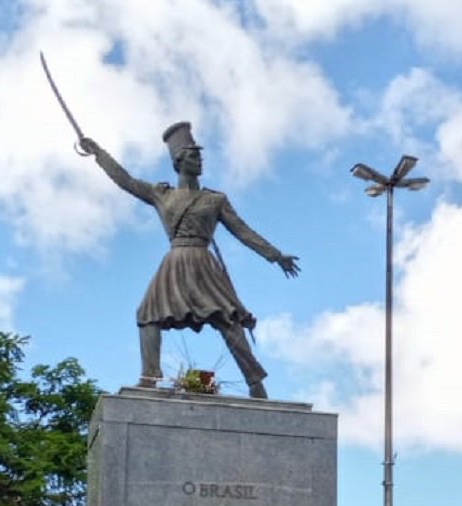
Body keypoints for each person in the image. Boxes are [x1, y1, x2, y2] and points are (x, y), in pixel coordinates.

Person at [79, 122, 299, 399]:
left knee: (227, 318)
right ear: (179, 161)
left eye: (200, 156)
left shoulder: (215, 199)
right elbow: (126, 181)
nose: (200, 161)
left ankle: (255, 382)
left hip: (203, 263)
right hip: (174, 262)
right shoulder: (162, 194)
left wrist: (275, 255)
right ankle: (149, 376)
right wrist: (99, 154)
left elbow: (242, 231)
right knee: (148, 314)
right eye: (194, 156)